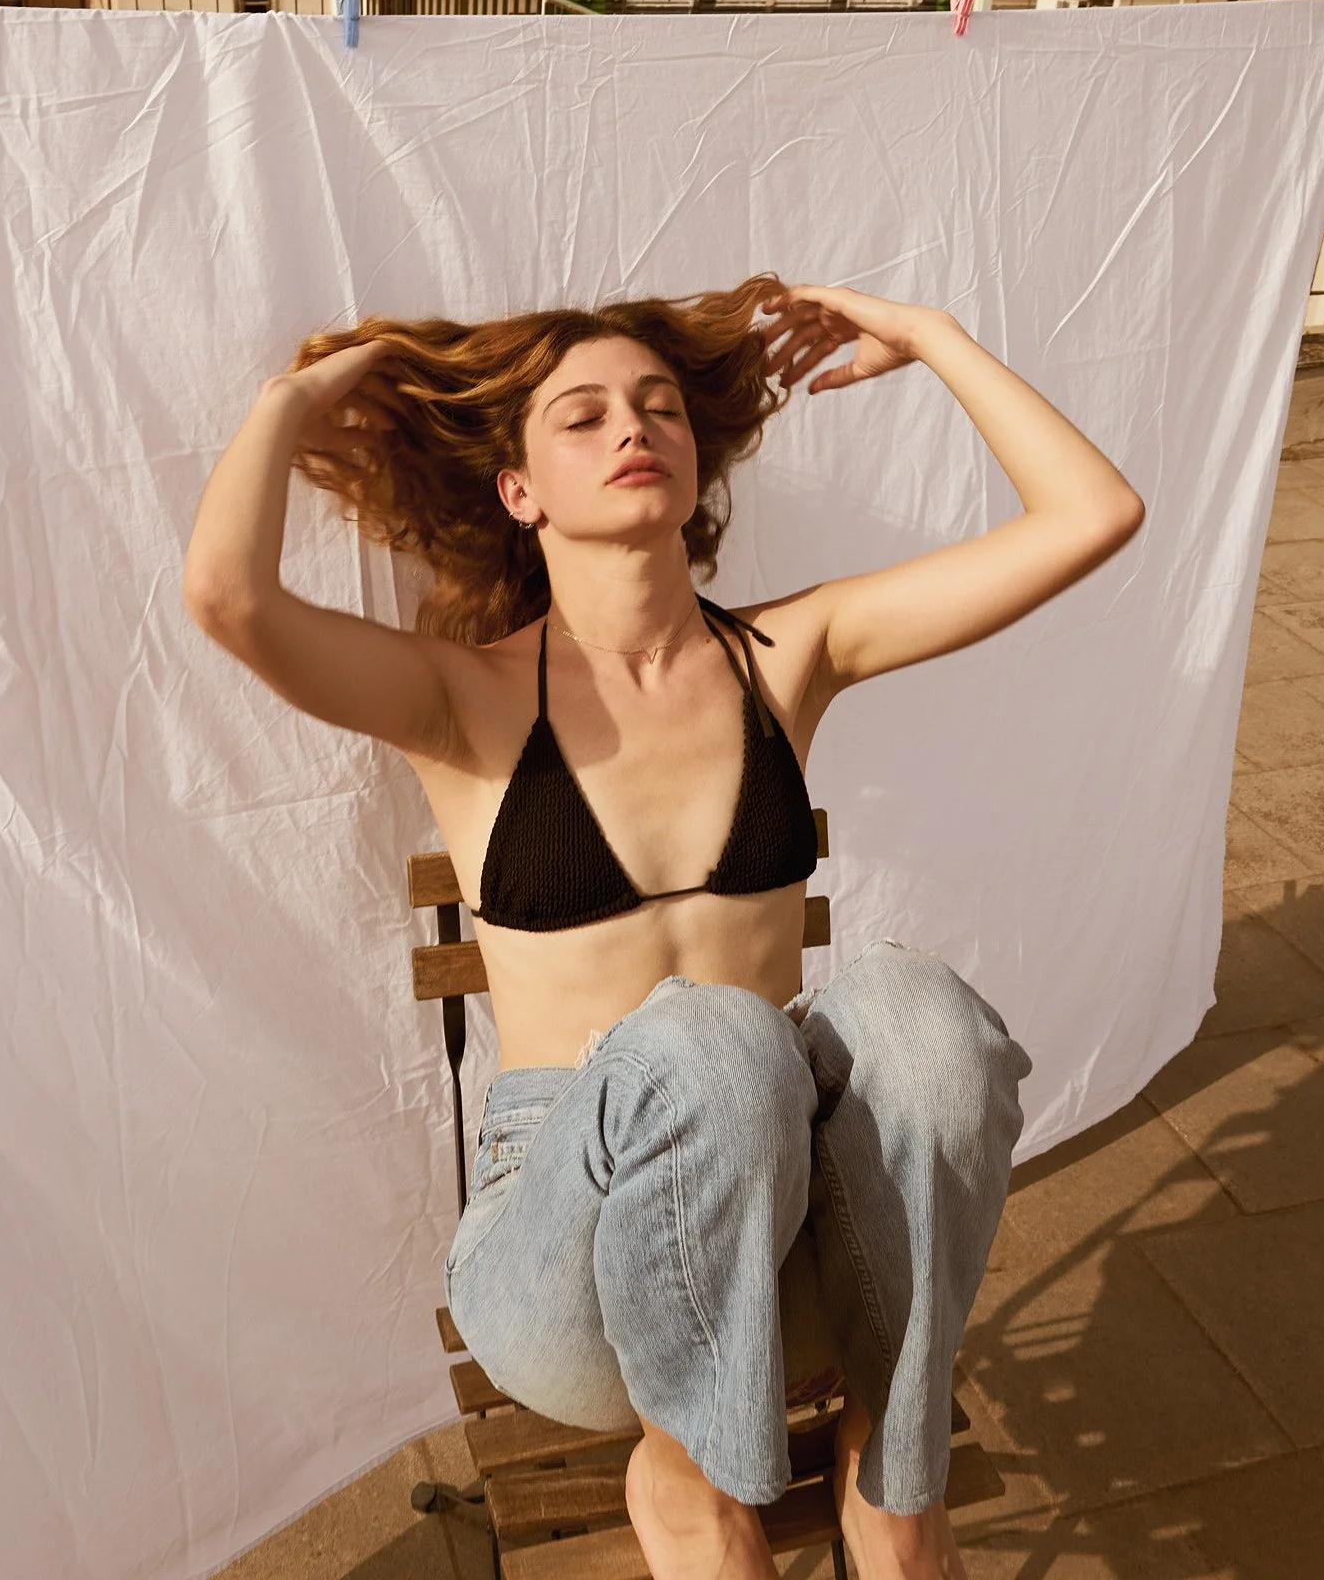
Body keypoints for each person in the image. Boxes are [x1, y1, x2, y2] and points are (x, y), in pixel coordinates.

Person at [182, 273, 1144, 1580]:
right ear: (518, 491)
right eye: (578, 418)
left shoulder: (782, 656)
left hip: (785, 1248)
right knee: (706, 1044)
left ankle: (891, 1470)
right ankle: (690, 1474)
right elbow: (229, 602)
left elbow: (1095, 514)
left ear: (694, 458)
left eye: (656, 408)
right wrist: (289, 403)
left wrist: (932, 338)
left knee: (912, 1012)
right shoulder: (461, 700)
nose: (632, 427)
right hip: (570, 1278)